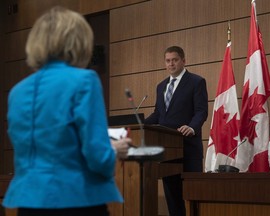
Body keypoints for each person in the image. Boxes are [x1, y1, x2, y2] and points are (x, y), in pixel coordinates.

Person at [2, 6, 131, 216]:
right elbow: (97, 157)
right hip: (76, 199)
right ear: (79, 41)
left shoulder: (17, 92)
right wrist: (114, 150)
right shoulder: (84, 81)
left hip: (29, 202)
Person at [145, 46, 208, 216]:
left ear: (183, 61)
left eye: (174, 60)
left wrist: (192, 127)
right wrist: (140, 124)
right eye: (167, 61)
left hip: (188, 148)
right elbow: (158, 114)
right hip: (168, 151)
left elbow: (201, 111)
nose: (171, 64)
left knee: (194, 197)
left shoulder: (196, 81)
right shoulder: (161, 86)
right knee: (173, 198)